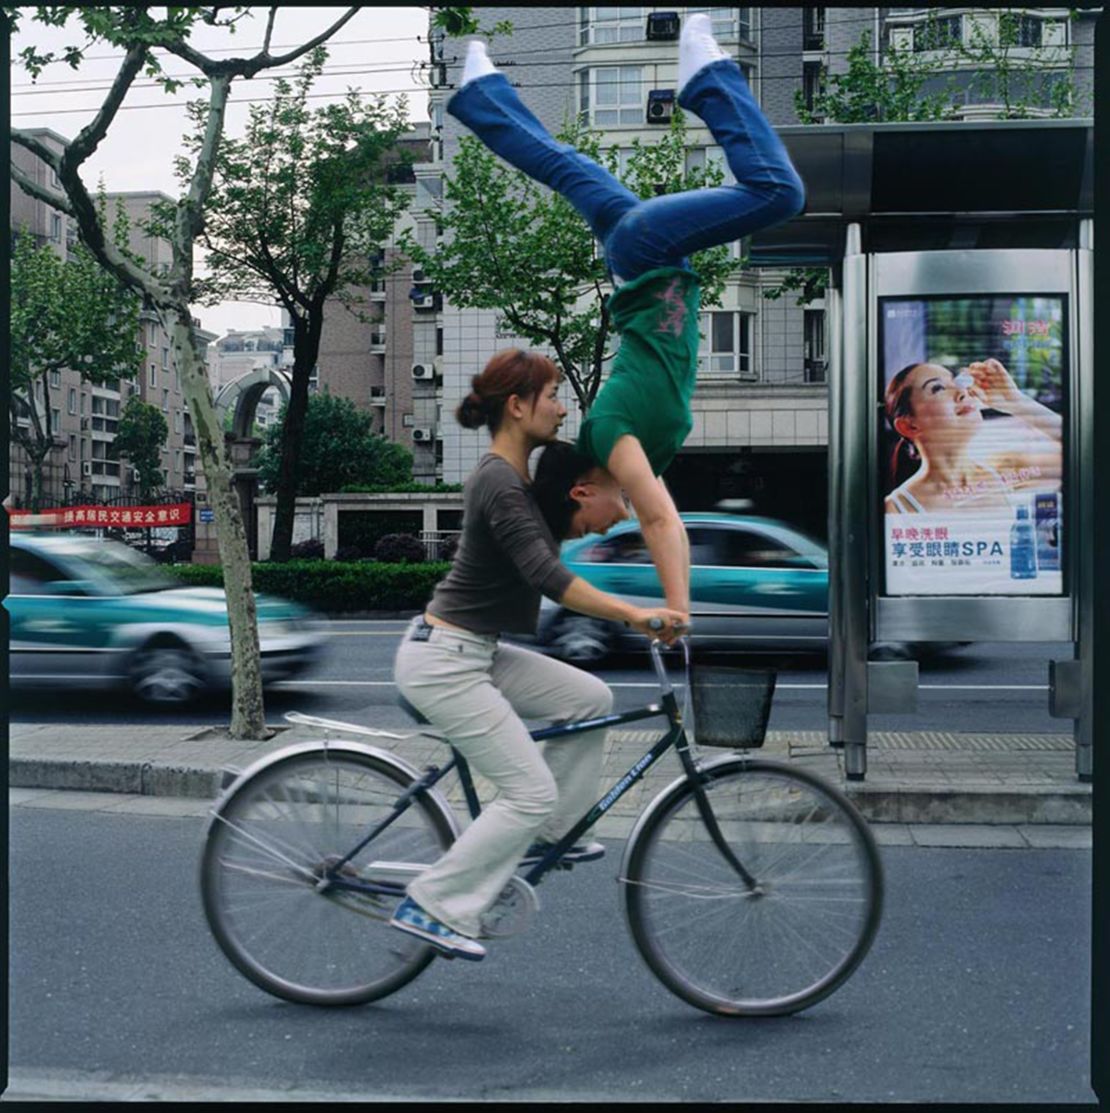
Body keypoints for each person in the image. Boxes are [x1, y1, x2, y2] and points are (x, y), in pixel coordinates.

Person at [446, 14, 805, 626]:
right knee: (562, 167)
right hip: (640, 259)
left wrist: (677, 609)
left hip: (648, 254)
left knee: (780, 192)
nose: (610, 526)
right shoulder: (631, 451)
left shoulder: (612, 437)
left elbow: (661, 518)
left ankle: (709, 79)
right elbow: (665, 515)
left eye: (589, 523)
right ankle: (481, 97)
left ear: (581, 491)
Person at [390, 349, 687, 961]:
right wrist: (636, 614)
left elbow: (570, 522)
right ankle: (435, 903)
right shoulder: (498, 480)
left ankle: (549, 833)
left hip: (474, 653)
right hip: (444, 663)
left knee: (589, 697)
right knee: (527, 790)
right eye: (551, 395)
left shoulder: (520, 481)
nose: (561, 407)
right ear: (518, 406)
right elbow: (549, 577)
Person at [883, 356, 1062, 515]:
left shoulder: (1005, 471)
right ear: (909, 426)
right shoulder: (897, 509)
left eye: (955, 383)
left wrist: (1015, 401)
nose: (962, 392)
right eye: (937, 388)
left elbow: (1082, 448)